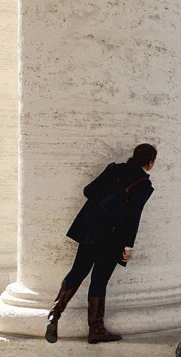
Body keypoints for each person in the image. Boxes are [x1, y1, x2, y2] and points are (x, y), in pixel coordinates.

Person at [45, 143, 157, 345]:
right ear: (150, 163)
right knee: (99, 281)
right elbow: (133, 217)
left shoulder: (113, 169)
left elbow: (88, 191)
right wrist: (128, 246)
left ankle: (54, 315)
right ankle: (96, 330)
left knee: (77, 272)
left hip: (91, 231)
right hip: (112, 238)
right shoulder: (143, 184)